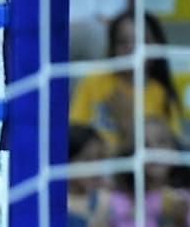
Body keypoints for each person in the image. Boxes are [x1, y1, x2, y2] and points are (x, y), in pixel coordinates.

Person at [70, 10, 186, 151]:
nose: (132, 49)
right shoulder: (94, 81)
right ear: (112, 47)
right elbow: (75, 133)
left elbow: (170, 150)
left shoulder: (161, 93)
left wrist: (127, 123)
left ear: (156, 46)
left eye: (142, 42)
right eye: (123, 42)